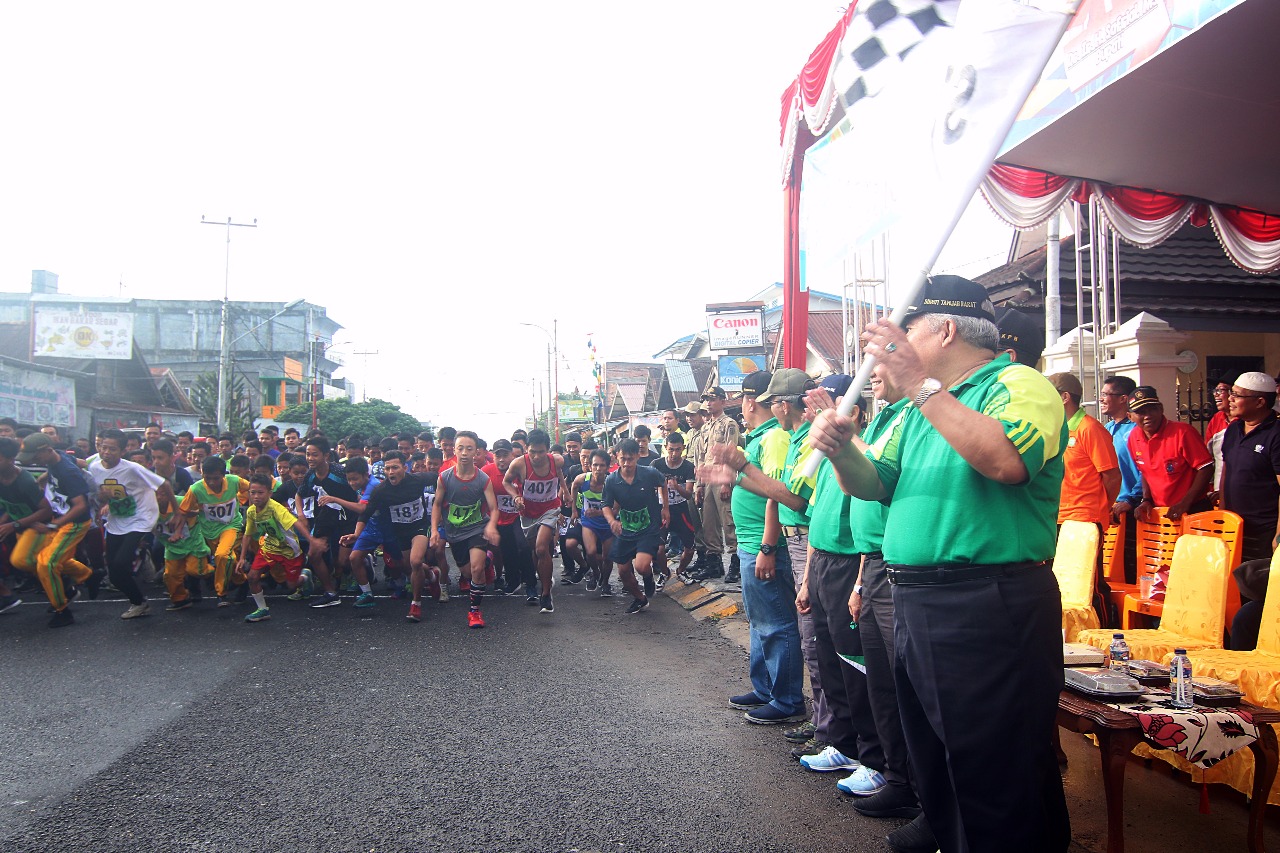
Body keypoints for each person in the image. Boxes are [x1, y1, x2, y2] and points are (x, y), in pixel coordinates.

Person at [799, 275, 1070, 852]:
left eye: (906, 330)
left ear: (945, 329)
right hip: (917, 597)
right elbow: (875, 485)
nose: (890, 348)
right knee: (935, 743)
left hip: (987, 598)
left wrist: (921, 385)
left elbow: (1004, 460)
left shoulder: (1017, 384)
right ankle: (950, 832)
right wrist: (841, 448)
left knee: (993, 755)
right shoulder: (924, 407)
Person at [89, 428, 175, 620]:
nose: (107, 452)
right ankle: (139, 602)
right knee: (114, 573)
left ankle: (139, 559)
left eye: (112, 449)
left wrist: (176, 512)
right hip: (117, 519)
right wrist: (102, 503)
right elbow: (100, 493)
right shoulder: (94, 467)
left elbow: (165, 485)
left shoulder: (132, 468)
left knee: (120, 563)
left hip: (141, 517)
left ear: (122, 451)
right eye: (104, 448)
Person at [344, 451, 439, 623]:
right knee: (408, 566)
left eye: (395, 467)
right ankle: (432, 576)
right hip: (399, 532)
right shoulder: (381, 491)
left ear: (404, 468)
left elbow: (439, 478)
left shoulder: (418, 480)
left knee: (415, 561)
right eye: (387, 468)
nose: (390, 472)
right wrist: (356, 534)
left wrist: (442, 498)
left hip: (419, 526)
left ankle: (416, 604)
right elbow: (366, 513)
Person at [13, 434, 95, 627]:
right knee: (29, 559)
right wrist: (42, 481)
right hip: (58, 518)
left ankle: (62, 610)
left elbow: (80, 506)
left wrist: (54, 526)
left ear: (46, 450)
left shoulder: (68, 472)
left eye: (36, 457)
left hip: (73, 524)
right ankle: (87, 575)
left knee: (47, 563)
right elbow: (80, 461)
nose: (34, 461)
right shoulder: (59, 455)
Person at [431, 431, 501, 628]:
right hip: (455, 532)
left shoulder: (483, 479)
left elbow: (494, 508)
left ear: (476, 452)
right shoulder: (444, 478)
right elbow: (437, 505)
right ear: (454, 451)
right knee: (468, 573)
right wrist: (435, 530)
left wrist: (491, 526)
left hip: (477, 529)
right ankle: (487, 559)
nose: (464, 453)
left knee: (477, 569)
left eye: (469, 449)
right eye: (460, 448)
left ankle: (475, 611)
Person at [600, 438, 669, 615]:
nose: (626, 463)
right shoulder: (611, 480)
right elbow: (605, 505)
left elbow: (663, 483)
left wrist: (665, 508)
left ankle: (648, 577)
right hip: (626, 529)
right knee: (623, 571)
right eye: (622, 459)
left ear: (638, 457)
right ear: (616, 457)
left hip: (648, 527)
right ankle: (640, 598)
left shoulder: (649, 473)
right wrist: (612, 521)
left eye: (630, 459)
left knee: (641, 566)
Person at [237, 473, 317, 623]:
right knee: (253, 577)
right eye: (252, 493)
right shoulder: (251, 511)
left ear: (269, 493)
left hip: (289, 550)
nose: (256, 497)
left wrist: (311, 540)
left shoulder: (276, 508)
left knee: (292, 586)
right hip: (270, 547)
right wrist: (242, 558)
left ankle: (305, 576)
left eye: (260, 493)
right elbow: (247, 535)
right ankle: (262, 610)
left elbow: (296, 523)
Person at [1128, 386, 1213, 523]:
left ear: (1161, 408)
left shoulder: (1183, 432)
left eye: (1152, 409)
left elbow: (1206, 468)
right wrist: (1147, 499)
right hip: (1161, 513)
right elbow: (1145, 471)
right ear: (1130, 416)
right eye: (1141, 412)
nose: (1148, 416)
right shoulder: (1133, 437)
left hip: (1193, 510)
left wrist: (1185, 503)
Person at [503, 428, 566, 612]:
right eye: (532, 452)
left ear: (547, 450)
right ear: (526, 449)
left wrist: (566, 493)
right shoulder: (518, 464)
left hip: (550, 508)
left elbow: (559, 474)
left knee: (540, 547)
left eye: (540, 452)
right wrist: (516, 497)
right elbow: (506, 482)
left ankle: (546, 594)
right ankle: (544, 579)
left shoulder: (557, 460)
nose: (537, 457)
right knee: (535, 552)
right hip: (528, 512)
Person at [1220, 372, 1280, 561]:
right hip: (1233, 527)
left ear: (1260, 402)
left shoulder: (1276, 433)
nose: (1230, 399)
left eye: (1237, 395)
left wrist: (1278, 534)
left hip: (1264, 530)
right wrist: (1223, 514)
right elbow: (1226, 471)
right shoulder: (1233, 429)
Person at [179, 455, 250, 607]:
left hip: (230, 526)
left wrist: (247, 500)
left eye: (216, 478)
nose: (211, 482)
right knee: (228, 560)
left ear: (224, 475)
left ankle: (221, 594)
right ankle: (242, 581)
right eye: (207, 478)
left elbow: (252, 488)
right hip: (207, 530)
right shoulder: (196, 489)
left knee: (223, 555)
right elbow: (183, 510)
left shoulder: (235, 481)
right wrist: (180, 529)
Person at [297, 435, 356, 608]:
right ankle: (330, 592)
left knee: (342, 562)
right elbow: (299, 494)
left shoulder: (339, 472)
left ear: (326, 456)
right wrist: (301, 515)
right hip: (325, 517)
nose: (310, 458)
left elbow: (358, 492)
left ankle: (355, 567)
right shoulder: (310, 474)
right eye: (308, 454)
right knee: (313, 555)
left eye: (314, 454)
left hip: (347, 517)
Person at [1101, 375, 1144, 583]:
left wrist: (1131, 499)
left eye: (1106, 394)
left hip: (1133, 509)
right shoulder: (1106, 430)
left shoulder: (1136, 430)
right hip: (1111, 509)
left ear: (1123, 399)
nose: (1101, 399)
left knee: (1133, 567)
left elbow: (1146, 469)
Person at [694, 387, 739, 581]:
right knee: (709, 523)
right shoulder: (705, 427)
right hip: (707, 480)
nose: (708, 403)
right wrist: (699, 485)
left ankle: (736, 564)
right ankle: (714, 563)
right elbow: (701, 457)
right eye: (706, 400)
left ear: (722, 400)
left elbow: (731, 452)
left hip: (722, 478)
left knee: (728, 522)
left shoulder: (729, 424)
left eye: (712, 399)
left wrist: (726, 483)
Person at [650, 431, 696, 581]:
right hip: (661, 509)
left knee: (690, 548)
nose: (674, 453)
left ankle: (681, 571)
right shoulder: (657, 464)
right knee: (658, 548)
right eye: (671, 449)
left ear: (683, 448)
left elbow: (689, 495)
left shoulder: (688, 467)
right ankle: (664, 573)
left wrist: (677, 487)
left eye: (677, 449)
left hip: (680, 509)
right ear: (665, 447)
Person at [571, 448, 616, 596]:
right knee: (590, 552)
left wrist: (598, 512)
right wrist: (574, 510)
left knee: (607, 557)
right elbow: (573, 487)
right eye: (595, 465)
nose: (598, 469)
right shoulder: (582, 479)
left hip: (607, 522)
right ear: (590, 466)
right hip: (589, 521)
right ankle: (596, 573)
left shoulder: (612, 483)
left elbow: (615, 510)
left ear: (608, 466)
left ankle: (605, 582)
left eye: (602, 465)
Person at [1205, 379, 1233, 503]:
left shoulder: (1245, 421)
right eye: (1215, 390)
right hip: (1218, 491)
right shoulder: (1217, 419)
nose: (1215, 394)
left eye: (1220, 390)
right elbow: (1207, 457)